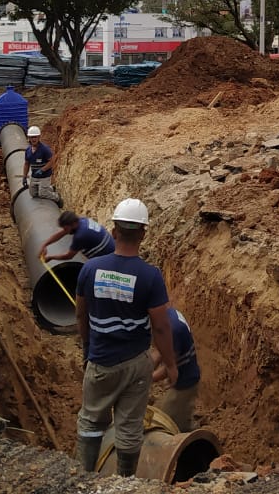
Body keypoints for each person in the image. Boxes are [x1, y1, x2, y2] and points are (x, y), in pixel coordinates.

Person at [74, 198, 176, 477]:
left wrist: (87, 348)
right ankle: (124, 480)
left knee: (91, 421)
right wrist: (171, 364)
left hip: (101, 360)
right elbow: (162, 327)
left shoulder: (90, 269)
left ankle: (84, 477)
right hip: (136, 364)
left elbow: (81, 316)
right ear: (143, 233)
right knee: (130, 426)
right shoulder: (150, 276)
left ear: (114, 231)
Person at [151, 305, 200, 431]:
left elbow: (169, 366)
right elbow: (159, 351)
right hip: (181, 377)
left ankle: (192, 434)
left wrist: (147, 378)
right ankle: (186, 420)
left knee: (167, 424)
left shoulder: (174, 330)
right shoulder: (167, 316)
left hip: (185, 384)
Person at [38, 210, 114, 262]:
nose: (65, 231)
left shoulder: (80, 236)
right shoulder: (82, 220)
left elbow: (68, 256)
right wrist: (45, 244)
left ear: (73, 224)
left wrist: (51, 258)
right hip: (113, 248)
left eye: (65, 228)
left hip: (110, 258)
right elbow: (61, 233)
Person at [24, 125, 59, 202]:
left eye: (35, 137)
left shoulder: (44, 149)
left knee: (42, 193)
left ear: (39, 137)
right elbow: (26, 164)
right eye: (31, 137)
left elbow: (51, 161)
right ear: (29, 138)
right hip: (35, 176)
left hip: (45, 176)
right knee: (33, 194)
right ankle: (51, 188)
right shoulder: (28, 150)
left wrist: (42, 170)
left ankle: (57, 198)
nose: (33, 139)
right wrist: (24, 177)